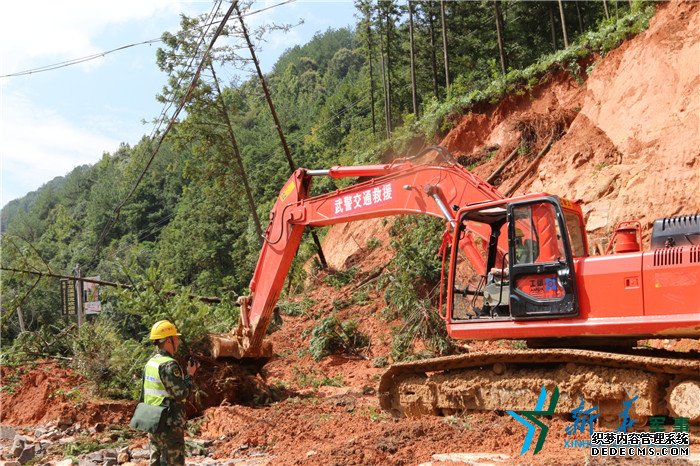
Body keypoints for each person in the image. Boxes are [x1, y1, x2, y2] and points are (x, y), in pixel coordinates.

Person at [143, 320, 199, 466]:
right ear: (168, 340)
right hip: (168, 423)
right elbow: (181, 393)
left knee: (155, 461)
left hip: (152, 420)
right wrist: (190, 375)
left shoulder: (151, 363)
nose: (178, 342)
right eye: (175, 338)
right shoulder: (168, 364)